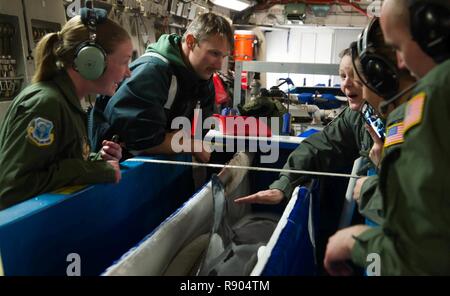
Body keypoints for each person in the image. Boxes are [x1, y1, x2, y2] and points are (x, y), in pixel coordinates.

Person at [325, 0, 450, 275]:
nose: (401, 63)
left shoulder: (431, 102)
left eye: (398, 47)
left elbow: (421, 256)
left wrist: (355, 243)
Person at [0, 8, 132, 210]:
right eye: (124, 62)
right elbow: (12, 189)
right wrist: (93, 171)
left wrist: (98, 160)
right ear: (92, 60)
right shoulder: (45, 105)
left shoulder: (66, 103)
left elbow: (54, 167)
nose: (128, 73)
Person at [89, 12, 233, 163]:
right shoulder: (152, 72)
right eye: (214, 53)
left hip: (164, 169)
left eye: (223, 56)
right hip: (122, 171)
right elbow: (139, 138)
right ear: (190, 42)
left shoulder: (202, 77)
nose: (218, 65)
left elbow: (202, 130)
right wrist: (188, 144)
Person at [348, 17, 416, 225]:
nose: (363, 94)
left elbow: (417, 220)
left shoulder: (413, 124)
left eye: (362, 83)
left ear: (381, 78)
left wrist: (370, 191)